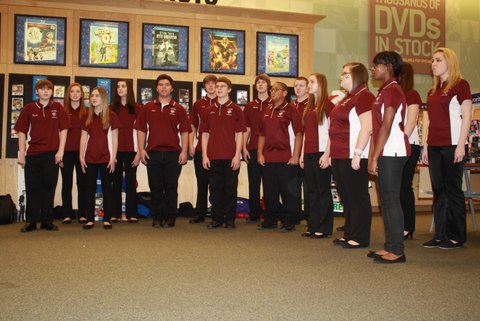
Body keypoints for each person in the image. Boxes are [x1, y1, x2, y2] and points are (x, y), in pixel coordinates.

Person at [422, 48, 472, 250]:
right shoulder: (433, 90)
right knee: (439, 191)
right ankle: (440, 235)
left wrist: (461, 145)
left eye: (438, 60)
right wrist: (425, 146)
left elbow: (467, 117)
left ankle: (456, 236)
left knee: (453, 191)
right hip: (434, 146)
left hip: (453, 145)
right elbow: (431, 121)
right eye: (432, 60)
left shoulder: (461, 85)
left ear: (449, 62)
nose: (433, 63)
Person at [368, 51, 409, 263]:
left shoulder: (392, 90)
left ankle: (397, 251)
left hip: (392, 151)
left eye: (376, 65)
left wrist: (375, 156)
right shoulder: (383, 90)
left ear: (388, 66)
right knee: (386, 200)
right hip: (385, 151)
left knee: (391, 200)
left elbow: (387, 125)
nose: (372, 68)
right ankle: (390, 245)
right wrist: (374, 154)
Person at [136, 74, 190, 228]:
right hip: (153, 153)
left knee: (171, 187)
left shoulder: (179, 108)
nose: (164, 87)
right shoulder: (147, 107)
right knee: (156, 186)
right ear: (156, 88)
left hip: (174, 154)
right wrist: (141, 149)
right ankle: (157, 217)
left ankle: (170, 217)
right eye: (161, 84)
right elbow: (141, 130)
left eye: (167, 84)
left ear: (172, 88)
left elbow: (185, 132)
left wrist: (184, 151)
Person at [15, 79, 69, 232]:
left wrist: (61, 151)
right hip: (32, 154)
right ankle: (31, 222)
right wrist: (22, 154)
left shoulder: (58, 108)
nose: (46, 91)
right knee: (32, 188)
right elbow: (22, 132)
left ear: (52, 92)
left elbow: (64, 130)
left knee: (49, 188)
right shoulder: (29, 108)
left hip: (52, 154)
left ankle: (47, 221)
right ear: (36, 91)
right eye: (42, 89)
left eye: (48, 89)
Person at [329, 63, 374, 248]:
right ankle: (350, 232)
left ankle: (360, 237)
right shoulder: (348, 98)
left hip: (353, 154)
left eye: (346, 74)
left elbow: (367, 126)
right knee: (346, 195)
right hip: (339, 154)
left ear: (357, 76)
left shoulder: (364, 96)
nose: (341, 77)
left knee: (357, 196)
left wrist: (358, 153)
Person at [257, 82, 303, 232]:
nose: (273, 92)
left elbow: (298, 134)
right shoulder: (266, 109)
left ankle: (290, 220)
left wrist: (295, 155)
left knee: (288, 192)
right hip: (269, 158)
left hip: (286, 158)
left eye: (276, 89)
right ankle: (270, 219)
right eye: (272, 89)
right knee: (270, 191)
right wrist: (259, 154)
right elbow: (262, 134)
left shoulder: (292, 110)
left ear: (284, 93)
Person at [201, 76, 245, 229]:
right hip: (213, 156)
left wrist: (237, 155)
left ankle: (230, 219)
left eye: (222, 86)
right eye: (217, 86)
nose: (219, 89)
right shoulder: (208, 110)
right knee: (215, 189)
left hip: (230, 157)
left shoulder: (236, 110)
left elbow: (240, 134)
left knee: (230, 189)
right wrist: (205, 155)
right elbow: (204, 134)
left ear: (229, 89)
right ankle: (216, 219)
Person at [299, 73, 335, 238]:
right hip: (309, 152)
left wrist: (327, 154)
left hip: (322, 152)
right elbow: (306, 133)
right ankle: (312, 225)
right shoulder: (309, 106)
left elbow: (332, 133)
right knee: (311, 190)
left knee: (323, 190)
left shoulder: (328, 105)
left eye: (312, 82)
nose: (308, 85)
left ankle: (324, 227)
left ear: (321, 84)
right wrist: (301, 154)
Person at [80, 87, 120, 230]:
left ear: (103, 98)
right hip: (90, 157)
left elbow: (115, 139)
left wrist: (113, 157)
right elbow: (83, 138)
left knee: (107, 189)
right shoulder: (86, 116)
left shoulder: (112, 116)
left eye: (97, 96)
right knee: (89, 189)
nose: (93, 98)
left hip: (106, 158)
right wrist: (81, 156)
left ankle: (107, 219)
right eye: (92, 96)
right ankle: (90, 219)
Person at [110, 80, 141, 224]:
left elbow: (142, 132)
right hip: (114, 152)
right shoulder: (111, 109)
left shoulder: (137, 109)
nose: (120, 89)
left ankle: (132, 214)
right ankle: (114, 213)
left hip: (132, 150)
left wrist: (139, 153)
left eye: (123, 86)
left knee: (130, 183)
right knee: (115, 183)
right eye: (118, 87)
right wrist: (110, 154)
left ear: (129, 89)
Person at [398, 63, 422, 239]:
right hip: (394, 146)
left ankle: (408, 226)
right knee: (395, 187)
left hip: (408, 143)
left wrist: (400, 140)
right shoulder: (393, 92)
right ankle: (399, 223)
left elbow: (411, 122)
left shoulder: (412, 94)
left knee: (404, 185)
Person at [243, 74, 272, 222]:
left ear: (268, 86)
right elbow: (246, 129)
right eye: (258, 83)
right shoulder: (249, 106)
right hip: (253, 148)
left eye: (263, 82)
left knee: (269, 184)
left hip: (270, 150)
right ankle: (254, 213)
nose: (260, 85)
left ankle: (268, 214)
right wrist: (243, 147)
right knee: (253, 183)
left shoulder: (274, 104)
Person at [189, 75, 217, 224]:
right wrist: (191, 145)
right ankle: (200, 213)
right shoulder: (198, 104)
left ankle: (216, 212)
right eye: (208, 84)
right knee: (202, 182)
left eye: (214, 84)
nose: (211, 86)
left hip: (218, 151)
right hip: (201, 149)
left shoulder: (222, 103)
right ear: (205, 87)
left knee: (216, 183)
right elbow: (192, 125)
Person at [61, 83, 88, 224]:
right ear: (68, 94)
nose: (75, 94)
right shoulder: (62, 111)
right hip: (65, 152)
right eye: (72, 92)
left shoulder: (87, 112)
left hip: (82, 153)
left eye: (78, 91)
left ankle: (82, 214)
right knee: (66, 183)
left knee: (82, 184)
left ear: (82, 94)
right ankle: (67, 214)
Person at [291, 76, 310, 221]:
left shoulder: (311, 105)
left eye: (301, 85)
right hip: (292, 150)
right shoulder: (291, 106)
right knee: (293, 184)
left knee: (308, 184)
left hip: (308, 149)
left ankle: (310, 214)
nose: (298, 88)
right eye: (296, 85)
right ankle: (295, 213)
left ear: (308, 88)